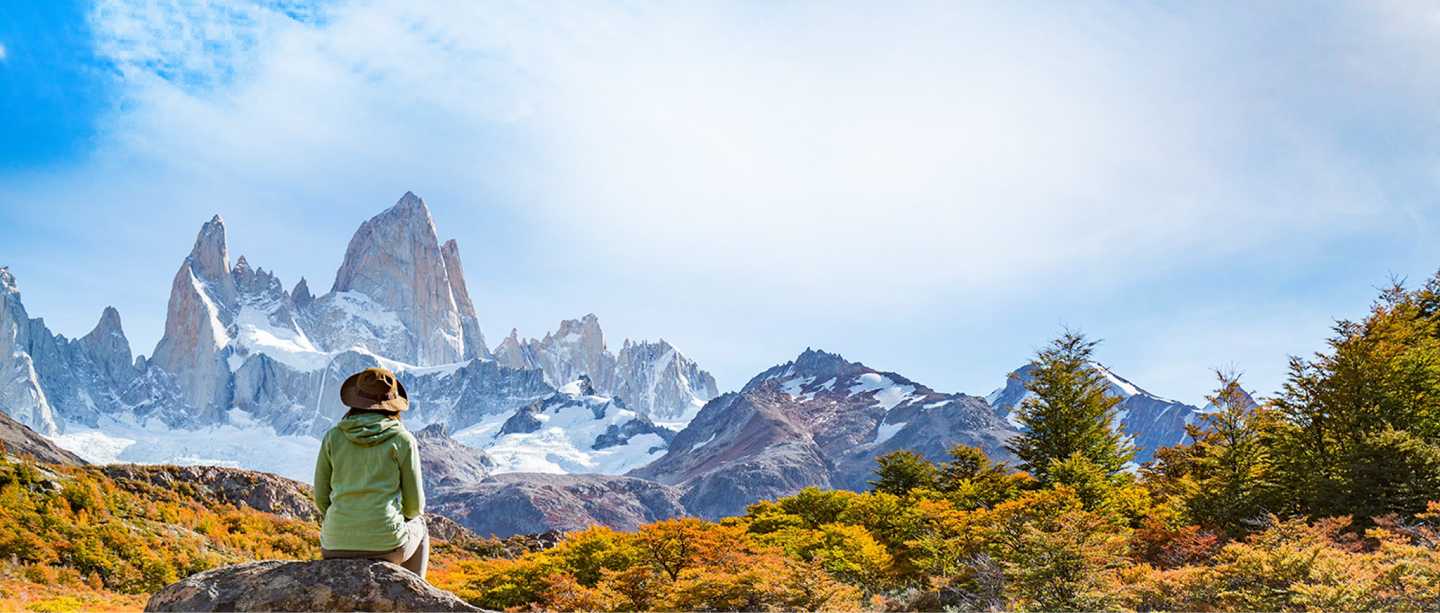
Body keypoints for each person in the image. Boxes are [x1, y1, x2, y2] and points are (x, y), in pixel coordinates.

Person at [313, 367, 429, 578]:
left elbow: (321, 499)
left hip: (334, 544)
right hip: (388, 546)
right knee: (420, 525)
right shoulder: (402, 439)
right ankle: (413, 593)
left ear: (354, 401)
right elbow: (414, 507)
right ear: (393, 404)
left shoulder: (333, 436)